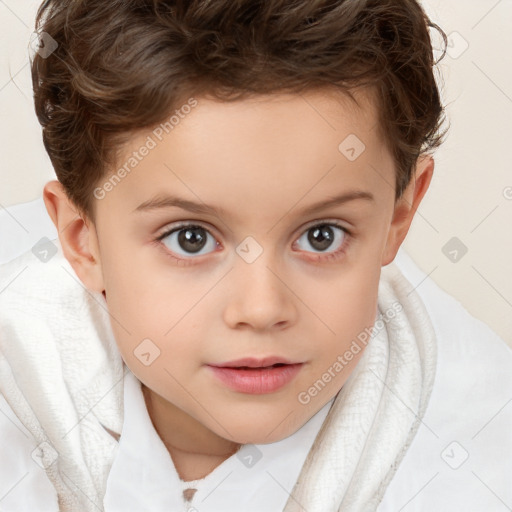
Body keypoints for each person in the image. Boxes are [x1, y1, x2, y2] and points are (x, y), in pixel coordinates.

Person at [1, 0, 511, 511]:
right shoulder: (19, 378)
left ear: (398, 218)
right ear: (80, 238)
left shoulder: (474, 436)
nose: (262, 308)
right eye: (191, 239)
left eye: (322, 236)